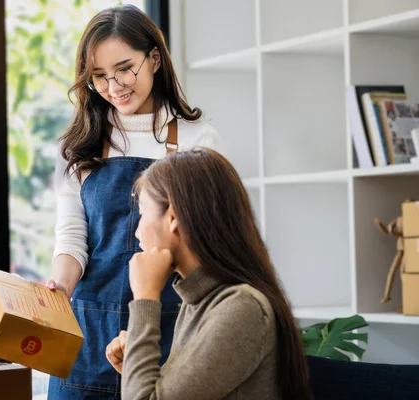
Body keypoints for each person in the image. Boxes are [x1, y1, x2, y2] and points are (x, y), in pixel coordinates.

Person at [46, 4, 224, 399]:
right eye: (99, 77)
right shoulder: (78, 146)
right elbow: (72, 237)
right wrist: (58, 286)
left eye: (125, 68)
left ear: (155, 58)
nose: (115, 86)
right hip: (87, 335)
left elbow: (210, 246)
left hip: (167, 328)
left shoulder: (198, 139)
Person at [105, 147, 313, 400]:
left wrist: (145, 295)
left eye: (142, 215)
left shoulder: (241, 307)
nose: (137, 233)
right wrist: (134, 367)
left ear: (172, 218)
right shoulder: (199, 300)